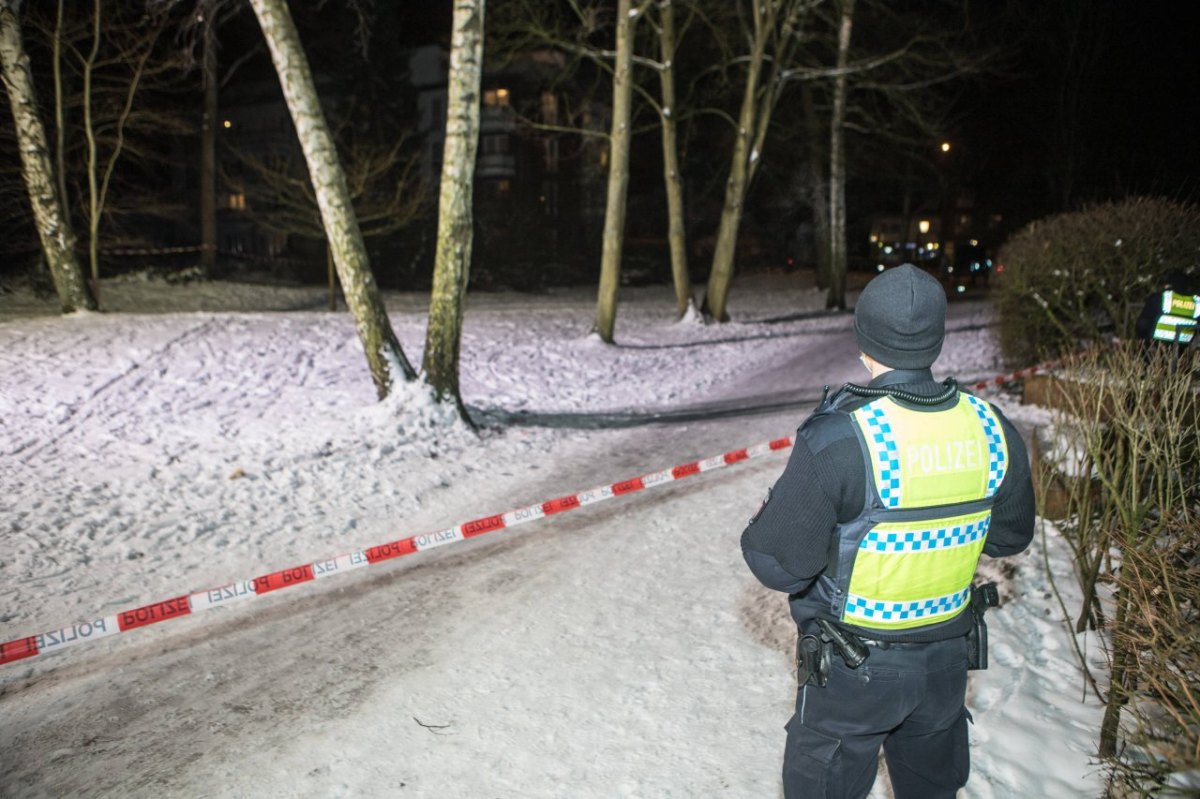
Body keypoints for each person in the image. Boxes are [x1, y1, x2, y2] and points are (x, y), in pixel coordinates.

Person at [741, 264, 1035, 799]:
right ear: (937, 340)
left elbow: (778, 564)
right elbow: (1009, 538)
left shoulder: (843, 437)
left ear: (864, 342)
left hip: (851, 673)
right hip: (946, 664)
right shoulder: (992, 426)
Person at [1134, 270, 1199, 348]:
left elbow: (1142, 325)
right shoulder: (1197, 303)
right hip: (1183, 352)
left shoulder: (1160, 298)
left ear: (1168, 285)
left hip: (1154, 350)